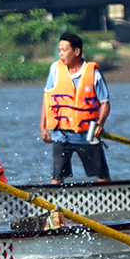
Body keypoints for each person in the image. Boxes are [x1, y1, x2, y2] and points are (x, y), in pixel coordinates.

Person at [41, 31, 111, 184]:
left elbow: (105, 103)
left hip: (88, 133)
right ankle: (55, 205)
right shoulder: (55, 69)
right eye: (59, 50)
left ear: (77, 51)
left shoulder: (94, 73)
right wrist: (43, 126)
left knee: (103, 177)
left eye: (64, 50)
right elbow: (47, 99)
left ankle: (110, 201)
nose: (61, 54)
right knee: (57, 177)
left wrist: (100, 124)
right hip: (61, 134)